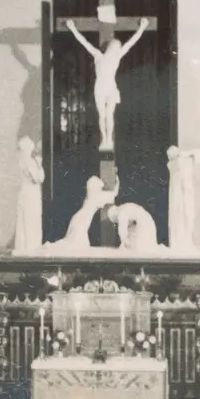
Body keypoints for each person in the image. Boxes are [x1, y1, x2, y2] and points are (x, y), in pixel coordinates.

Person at [65, 15, 149, 151]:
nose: (116, 47)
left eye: (117, 46)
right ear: (110, 46)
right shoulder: (98, 55)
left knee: (109, 115)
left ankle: (109, 139)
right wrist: (73, 28)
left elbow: (131, 42)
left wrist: (142, 28)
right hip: (100, 88)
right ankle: (104, 139)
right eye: (115, 45)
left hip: (110, 88)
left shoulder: (117, 57)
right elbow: (84, 42)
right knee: (102, 115)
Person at [43, 176, 119, 253]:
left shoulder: (92, 196)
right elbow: (114, 193)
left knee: (75, 244)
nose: (101, 189)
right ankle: (50, 247)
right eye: (100, 187)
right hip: (82, 220)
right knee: (74, 245)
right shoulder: (95, 197)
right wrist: (117, 181)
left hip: (79, 219)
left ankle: (50, 247)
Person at [13, 136, 44, 254]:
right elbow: (38, 178)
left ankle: (23, 248)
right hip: (31, 194)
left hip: (24, 193)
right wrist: (39, 164)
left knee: (23, 221)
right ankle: (31, 248)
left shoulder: (21, 161)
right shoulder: (30, 161)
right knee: (31, 220)